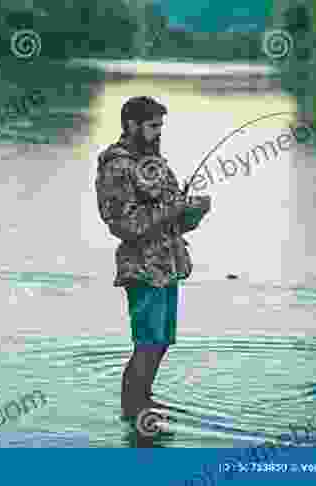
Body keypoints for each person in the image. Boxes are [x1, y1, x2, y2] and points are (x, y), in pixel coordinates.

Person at [95, 96, 211, 419]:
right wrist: (172, 208)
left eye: (160, 126)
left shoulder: (155, 163)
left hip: (167, 265)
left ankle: (143, 405)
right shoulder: (117, 166)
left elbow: (175, 220)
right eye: (152, 126)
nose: (158, 133)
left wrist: (193, 213)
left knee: (161, 343)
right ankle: (133, 413)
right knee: (146, 344)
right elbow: (124, 225)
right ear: (131, 125)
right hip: (142, 270)